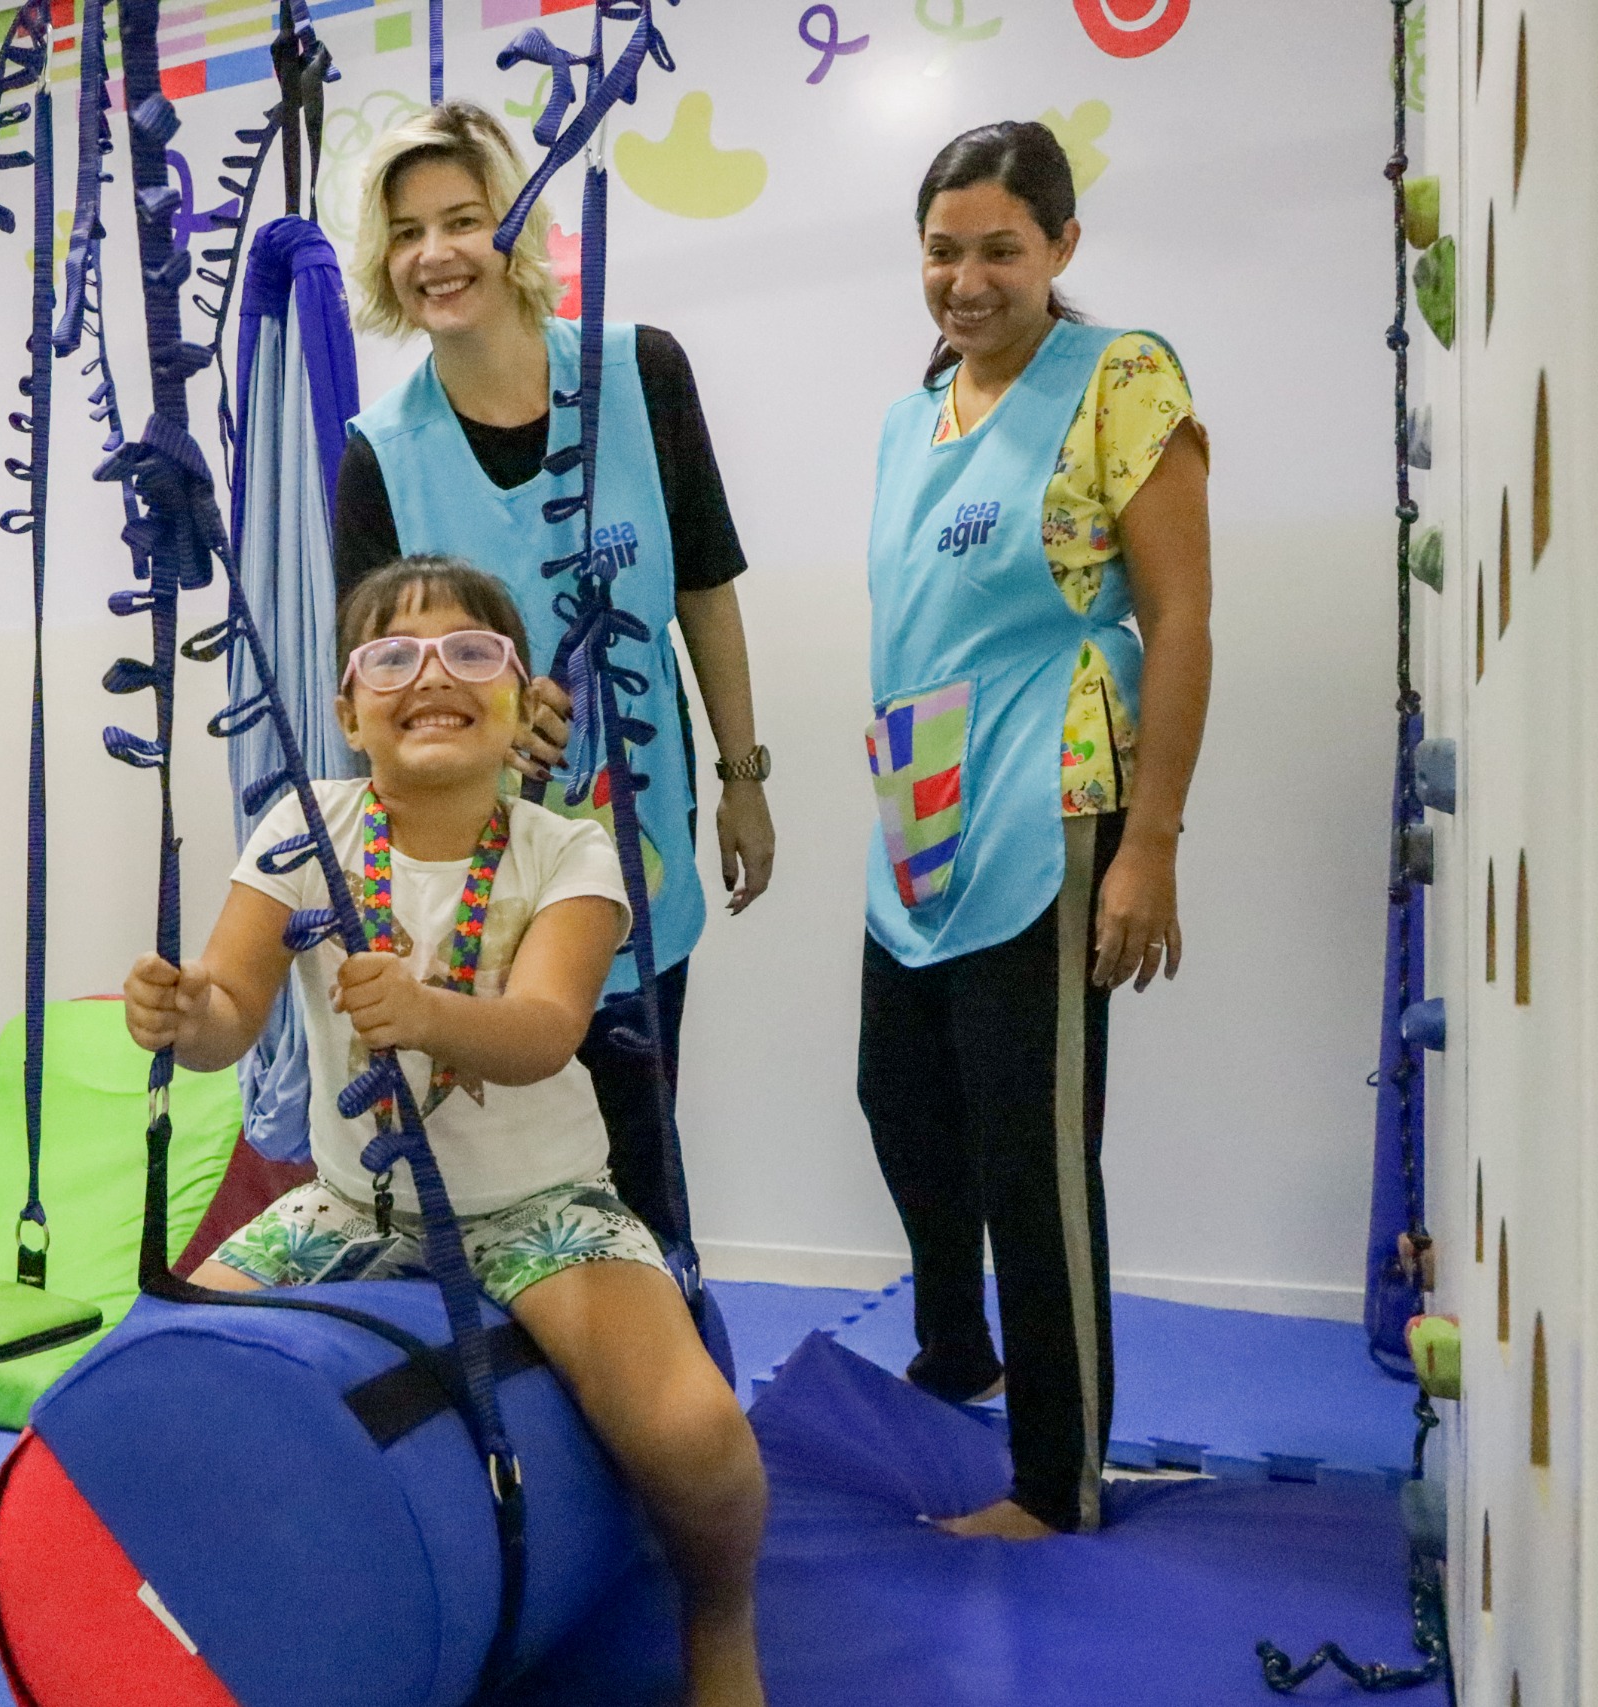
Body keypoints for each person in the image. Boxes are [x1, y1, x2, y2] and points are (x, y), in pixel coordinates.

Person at [125, 557, 767, 1706]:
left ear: (520, 702)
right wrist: (181, 1018)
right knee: (157, 1373)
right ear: (344, 710)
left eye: (473, 653)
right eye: (392, 657)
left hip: (536, 1209)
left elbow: (544, 1030)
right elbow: (230, 1013)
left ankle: (718, 1624)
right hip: (347, 1206)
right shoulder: (302, 827)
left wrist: (426, 1014)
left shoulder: (563, 848)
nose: (433, 676)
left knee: (694, 1436)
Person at [330, 102, 771, 1258]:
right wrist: (476, 709)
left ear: (514, 227)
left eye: (464, 219)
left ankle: (660, 1371)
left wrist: (742, 775)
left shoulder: (639, 373)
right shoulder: (380, 450)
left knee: (638, 1152)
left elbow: (705, 586)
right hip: (473, 869)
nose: (437, 254)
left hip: (639, 849)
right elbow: (369, 687)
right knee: (495, 1178)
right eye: (408, 231)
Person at [857, 120, 1213, 1540]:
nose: (966, 277)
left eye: (1000, 247)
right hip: (919, 778)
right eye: (943, 249)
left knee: (1033, 1141)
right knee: (902, 1095)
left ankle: (1057, 1478)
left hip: (1051, 774)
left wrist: (1154, 842)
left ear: (1062, 248)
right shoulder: (913, 408)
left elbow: (1180, 617)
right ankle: (960, 1346)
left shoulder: (1120, 376)